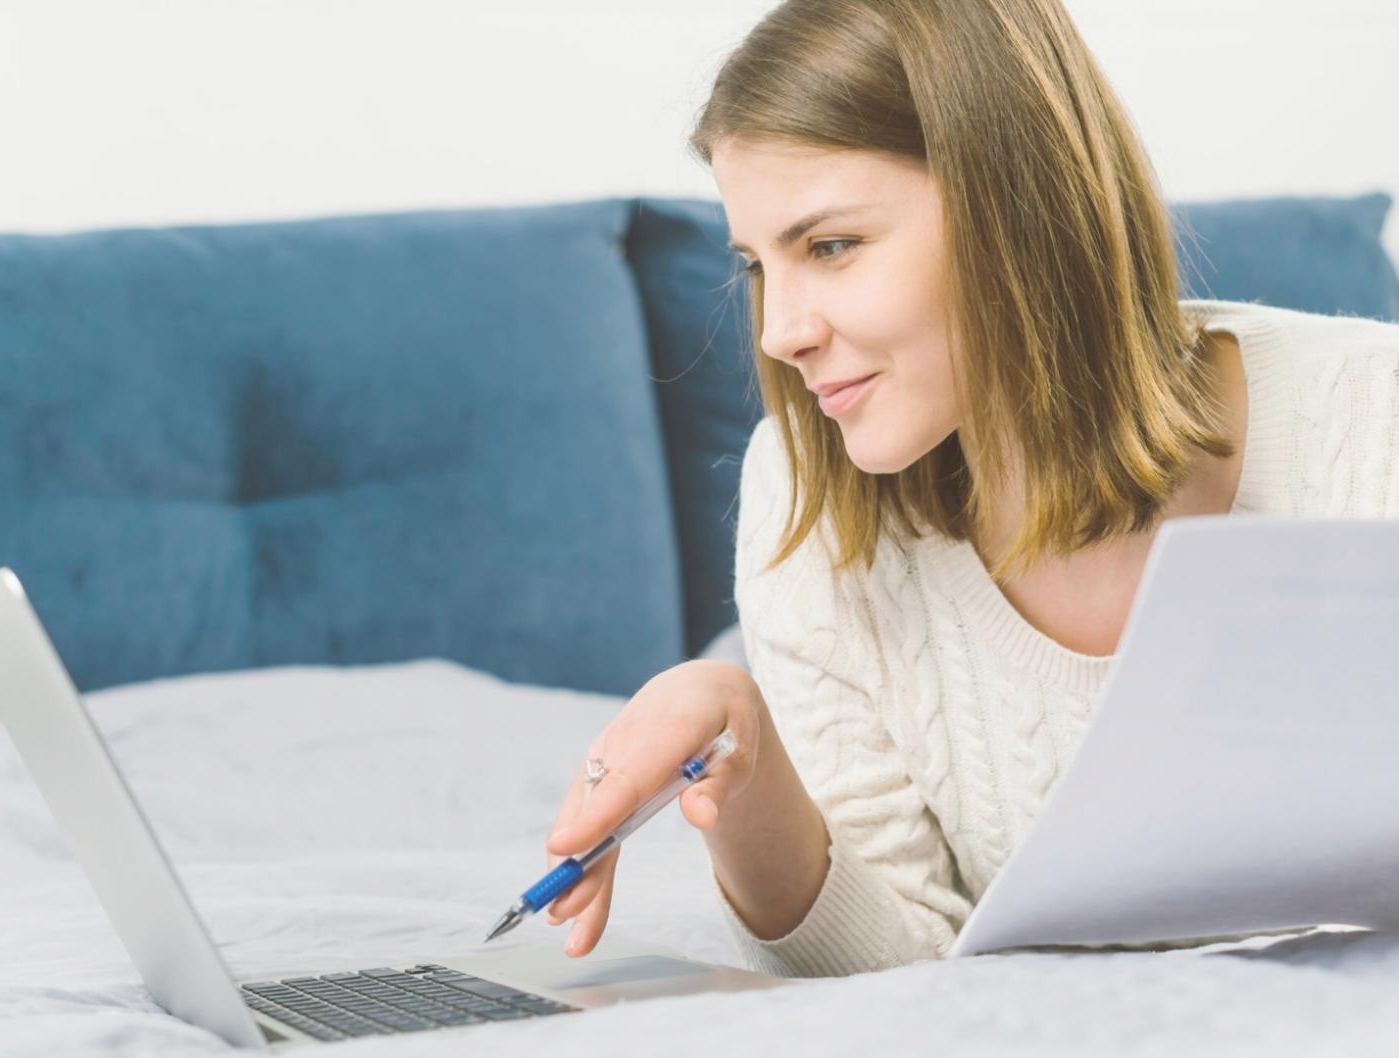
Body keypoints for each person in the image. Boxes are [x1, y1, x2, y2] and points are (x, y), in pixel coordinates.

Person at [542, 0, 1399, 976]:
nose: (780, 332)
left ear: (1017, 204)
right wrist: (743, 765)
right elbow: (898, 970)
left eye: (829, 246)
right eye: (755, 265)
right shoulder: (801, 500)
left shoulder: (1373, 419)